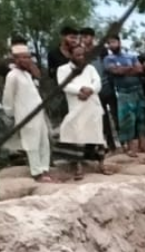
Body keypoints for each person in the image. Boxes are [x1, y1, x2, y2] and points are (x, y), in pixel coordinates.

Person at [1, 44, 52, 181]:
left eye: (29, 57)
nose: (28, 60)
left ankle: (45, 169)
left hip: (38, 113)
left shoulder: (27, 74)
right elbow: (8, 97)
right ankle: (36, 172)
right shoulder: (12, 76)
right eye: (24, 57)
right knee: (32, 143)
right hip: (25, 115)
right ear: (16, 59)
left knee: (43, 141)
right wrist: (11, 114)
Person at [57, 44, 106, 178]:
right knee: (77, 136)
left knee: (97, 136)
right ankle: (79, 168)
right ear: (70, 55)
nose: (81, 57)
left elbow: (97, 82)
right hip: (77, 106)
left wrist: (89, 90)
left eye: (83, 54)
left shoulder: (90, 68)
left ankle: (102, 165)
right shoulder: (63, 69)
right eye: (78, 55)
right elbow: (64, 85)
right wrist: (80, 90)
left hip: (93, 105)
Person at [103, 34, 145, 156]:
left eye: (114, 41)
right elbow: (115, 71)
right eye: (109, 43)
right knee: (127, 119)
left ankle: (143, 145)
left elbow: (140, 70)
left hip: (137, 89)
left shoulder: (131, 56)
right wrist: (130, 69)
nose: (112, 45)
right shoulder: (108, 59)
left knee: (141, 117)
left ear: (119, 42)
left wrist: (124, 69)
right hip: (123, 91)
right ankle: (131, 148)